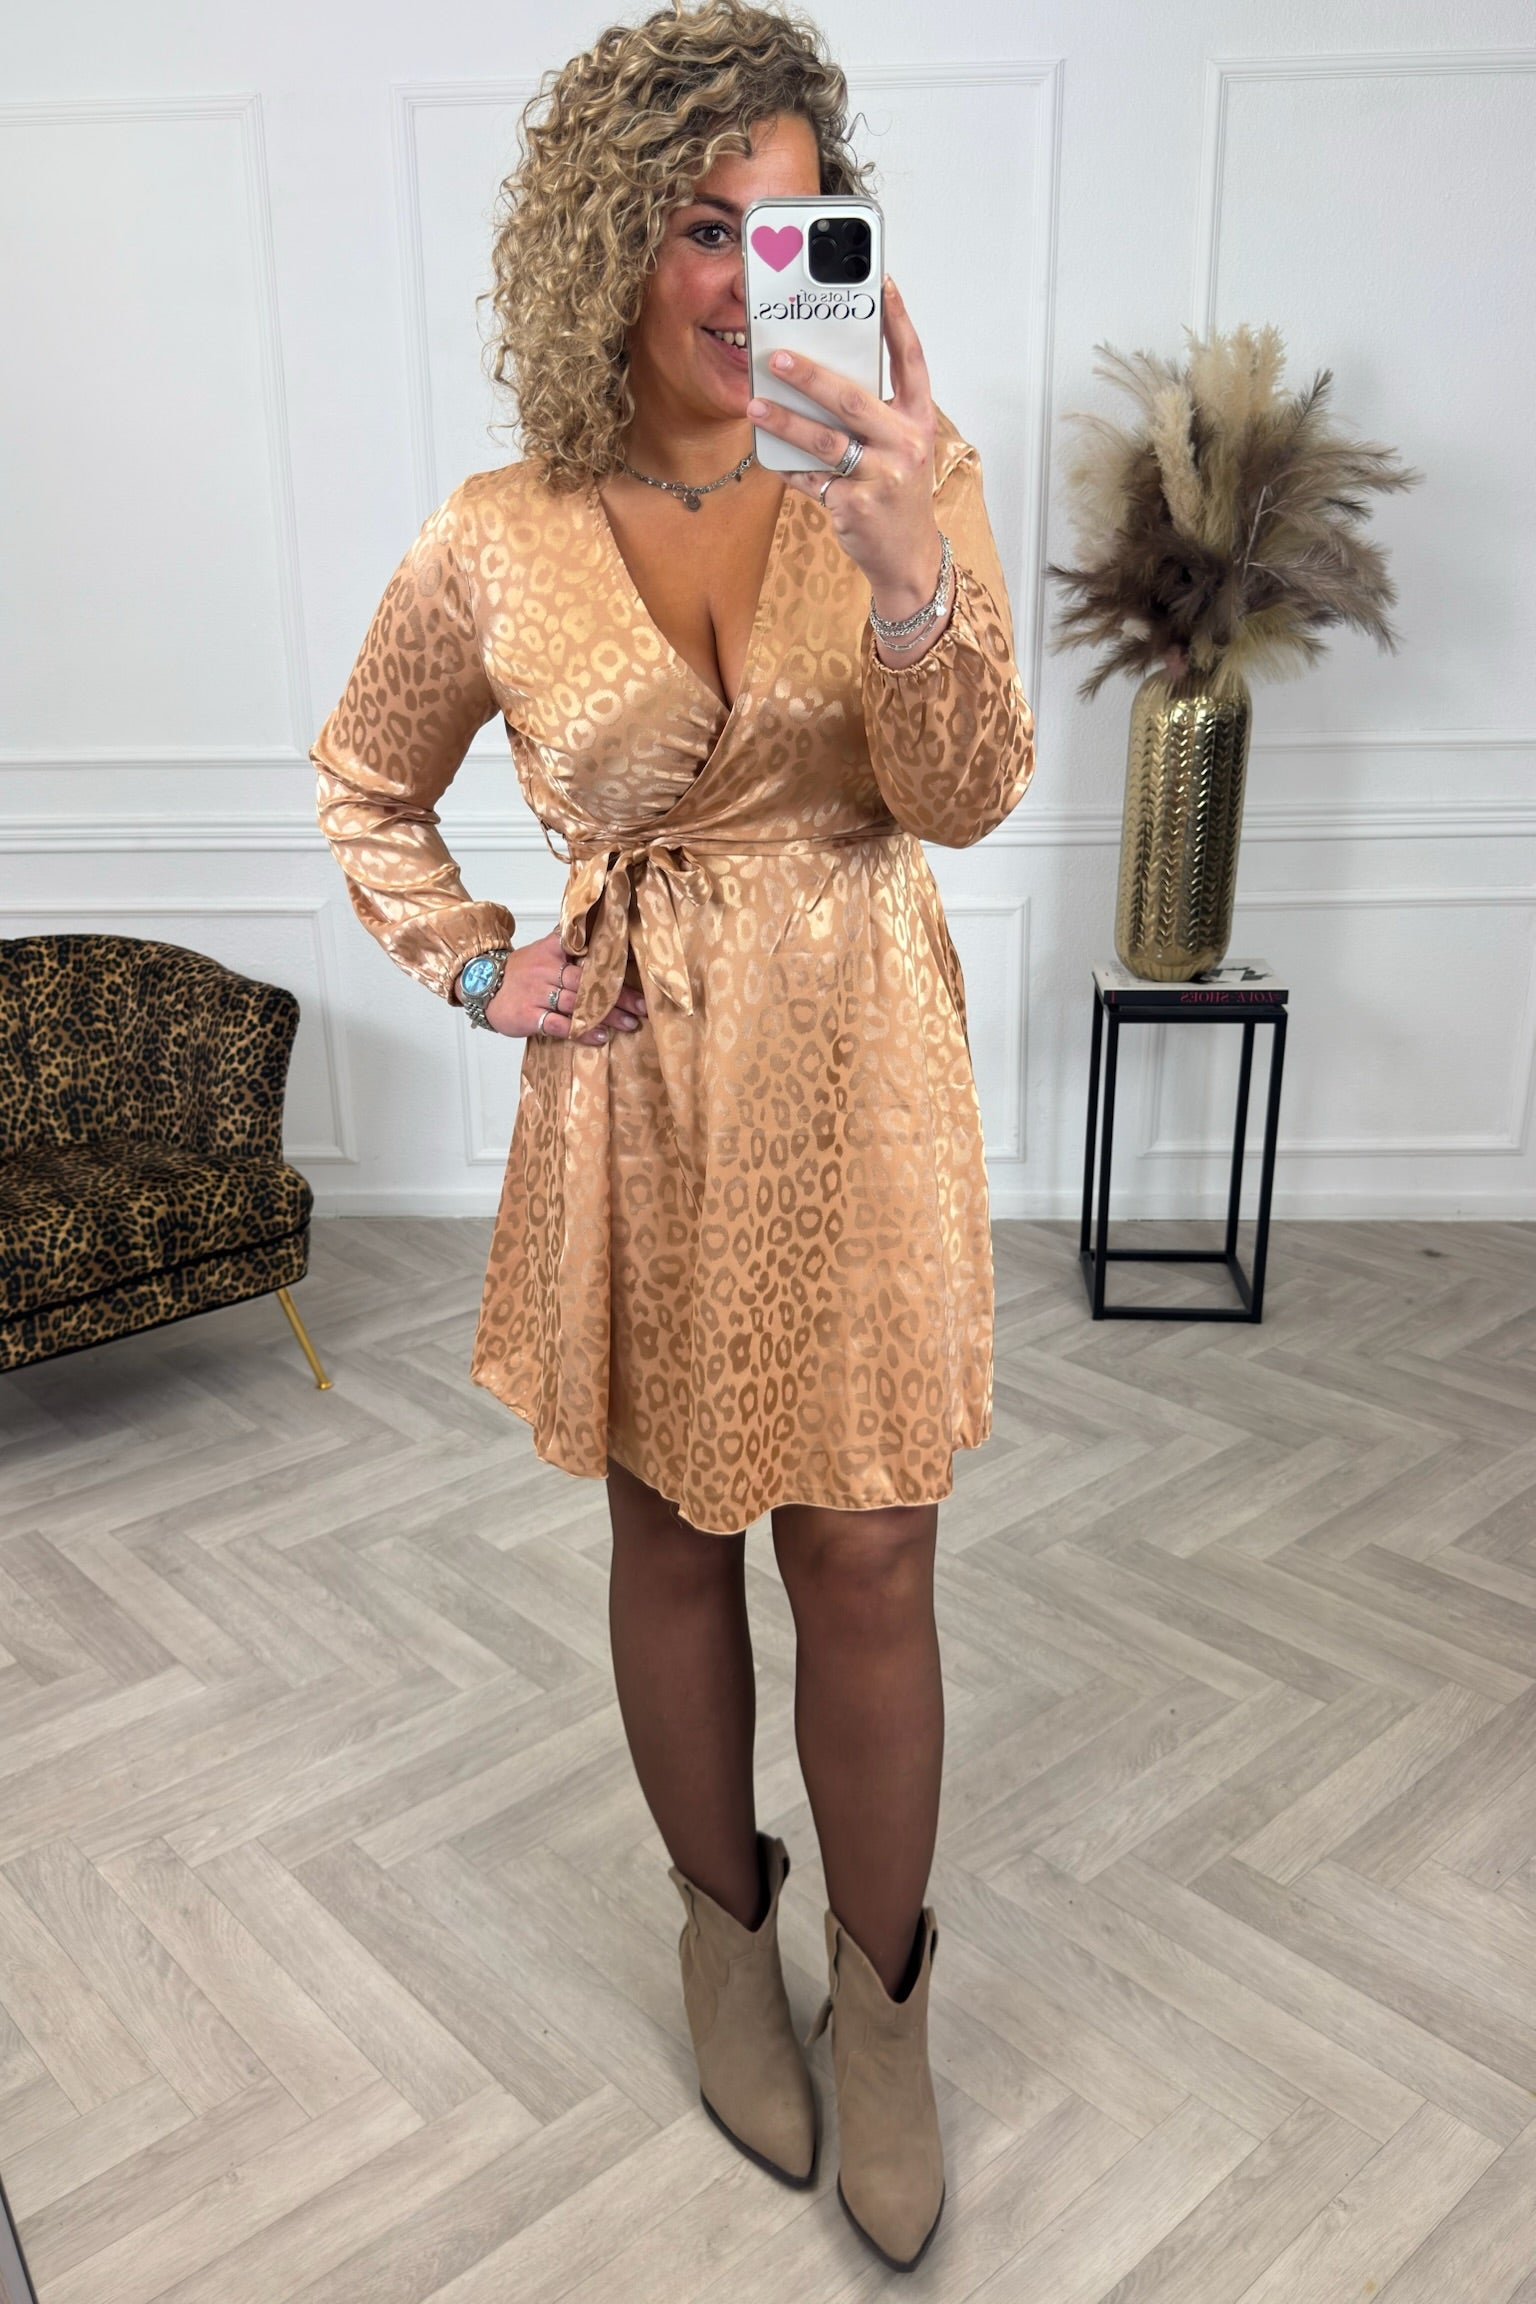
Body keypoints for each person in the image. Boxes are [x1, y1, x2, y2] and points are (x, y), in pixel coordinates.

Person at [312, 0, 1033, 2271]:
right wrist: (472, 963)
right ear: (608, 243)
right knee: (670, 1531)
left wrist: (907, 568)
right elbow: (365, 778)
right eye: (702, 226)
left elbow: (967, 795)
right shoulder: (500, 535)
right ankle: (725, 1940)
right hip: (635, 1091)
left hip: (862, 1059)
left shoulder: (904, 467)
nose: (748, 277)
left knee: (871, 1554)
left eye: (795, 227)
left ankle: (886, 2011)